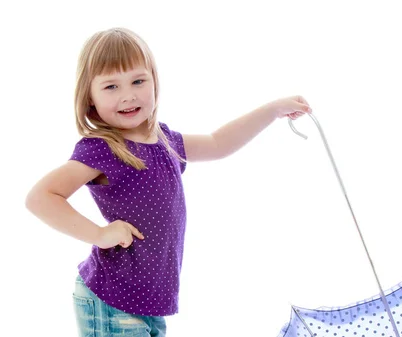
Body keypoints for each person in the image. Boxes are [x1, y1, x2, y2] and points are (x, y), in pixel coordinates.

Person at [25, 27, 312, 337]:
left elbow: (219, 142)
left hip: (147, 302)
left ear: (154, 81)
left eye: (138, 81)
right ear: (90, 99)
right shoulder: (103, 148)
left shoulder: (165, 141)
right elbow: (41, 196)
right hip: (112, 298)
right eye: (111, 86)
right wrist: (100, 233)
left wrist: (272, 111)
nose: (128, 95)